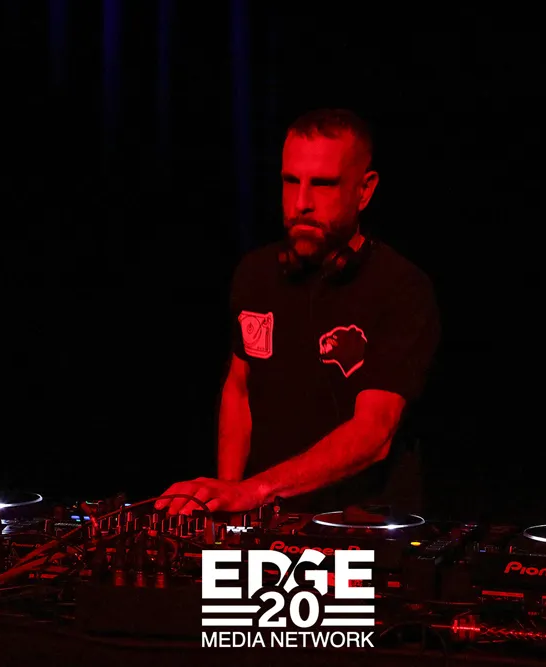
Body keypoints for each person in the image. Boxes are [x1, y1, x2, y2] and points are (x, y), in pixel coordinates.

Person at [156, 108, 440, 515]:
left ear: (364, 191)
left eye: (323, 185)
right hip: (267, 520)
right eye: (291, 182)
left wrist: (254, 491)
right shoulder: (255, 274)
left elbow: (374, 432)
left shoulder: (402, 287)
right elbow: (239, 390)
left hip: (362, 533)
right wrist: (229, 502)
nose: (302, 203)